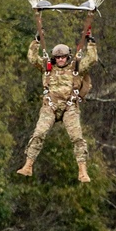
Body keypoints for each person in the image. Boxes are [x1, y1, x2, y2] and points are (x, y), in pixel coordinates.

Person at [17, 30, 98, 183]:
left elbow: (92, 60)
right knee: (39, 133)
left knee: (77, 138)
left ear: (68, 56)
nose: (60, 60)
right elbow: (32, 58)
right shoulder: (47, 67)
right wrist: (36, 42)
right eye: (58, 57)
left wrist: (91, 43)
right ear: (54, 58)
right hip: (50, 107)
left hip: (70, 107)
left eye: (63, 57)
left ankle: (82, 170)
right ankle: (28, 166)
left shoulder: (76, 67)